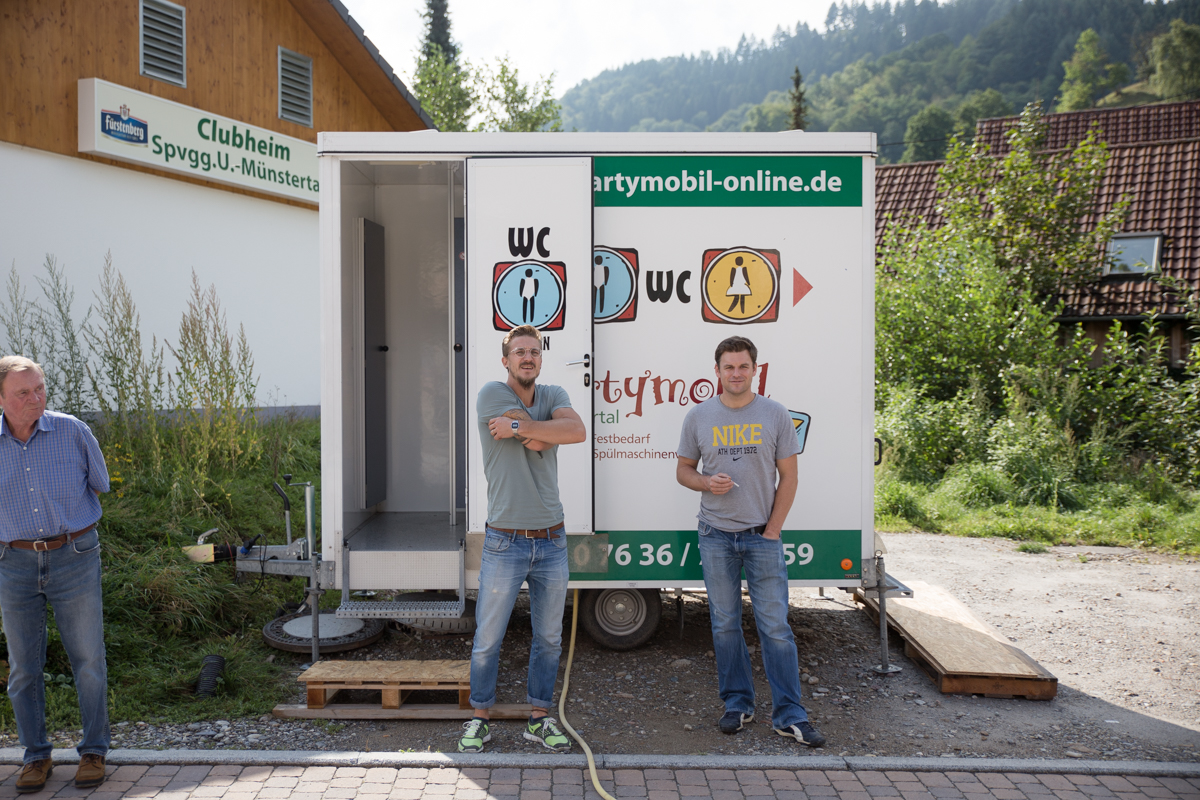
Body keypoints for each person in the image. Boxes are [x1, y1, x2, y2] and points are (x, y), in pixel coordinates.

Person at [676, 336, 826, 748]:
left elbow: (789, 477)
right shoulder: (699, 416)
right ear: (717, 371)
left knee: (775, 627)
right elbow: (684, 470)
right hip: (714, 535)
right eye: (729, 367)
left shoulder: (775, 414)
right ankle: (737, 704)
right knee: (725, 624)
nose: (736, 373)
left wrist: (773, 530)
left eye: (743, 366)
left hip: (763, 536)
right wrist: (706, 482)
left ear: (755, 370)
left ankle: (790, 714)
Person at [458, 325, 586, 753]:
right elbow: (540, 435)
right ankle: (479, 719)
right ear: (506, 360)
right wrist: (540, 429)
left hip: (552, 539)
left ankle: (539, 719)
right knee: (488, 638)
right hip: (505, 540)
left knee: (548, 638)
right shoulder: (491, 393)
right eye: (519, 352)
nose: (527, 357)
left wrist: (521, 427)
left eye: (534, 351)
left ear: (540, 359)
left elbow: (576, 432)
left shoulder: (554, 394)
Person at [0, 356, 111, 791]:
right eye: (23, 393)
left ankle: (94, 750)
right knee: (23, 669)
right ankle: (35, 757)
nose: (35, 398)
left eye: (40, 388)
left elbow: (99, 484)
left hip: (74, 555)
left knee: (89, 660)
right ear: (1, 398)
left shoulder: (73, 431)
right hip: (13, 562)